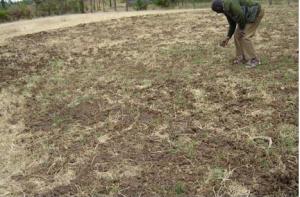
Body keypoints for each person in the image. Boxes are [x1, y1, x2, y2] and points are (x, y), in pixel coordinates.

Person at [211, 0, 264, 68]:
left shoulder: (230, 3)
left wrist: (241, 29)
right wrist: (228, 37)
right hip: (246, 17)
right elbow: (232, 24)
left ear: (219, 8)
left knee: (245, 36)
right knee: (237, 35)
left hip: (255, 12)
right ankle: (241, 57)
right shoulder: (226, 10)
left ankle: (254, 59)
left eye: (217, 11)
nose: (218, 13)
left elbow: (240, 14)